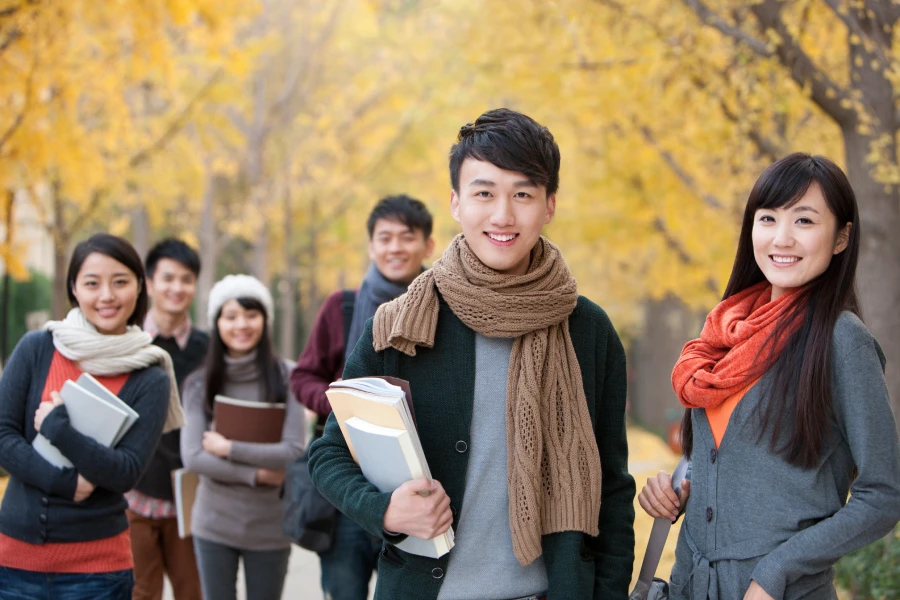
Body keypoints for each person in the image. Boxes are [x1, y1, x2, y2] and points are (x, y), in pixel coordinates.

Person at [308, 108, 635, 600]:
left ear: (549, 205)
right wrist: (385, 512)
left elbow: (612, 488)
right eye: (484, 193)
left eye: (522, 194)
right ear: (457, 204)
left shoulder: (588, 331)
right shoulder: (398, 325)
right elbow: (329, 453)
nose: (503, 215)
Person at [638, 153, 900, 600]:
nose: (782, 238)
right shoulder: (726, 332)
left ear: (841, 238)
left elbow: (884, 495)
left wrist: (777, 572)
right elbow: (733, 461)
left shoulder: (842, 342)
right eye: (768, 218)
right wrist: (681, 489)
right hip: (690, 584)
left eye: (804, 221)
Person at [0, 233, 183, 600]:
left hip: (97, 572)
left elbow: (125, 470)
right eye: (92, 283)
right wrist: (66, 483)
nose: (106, 296)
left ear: (139, 288)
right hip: (14, 563)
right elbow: (3, 437)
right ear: (74, 289)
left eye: (120, 282)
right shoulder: (37, 348)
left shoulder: (151, 376)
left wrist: (59, 429)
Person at [290, 194, 434, 600]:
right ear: (371, 246)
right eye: (384, 238)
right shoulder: (342, 307)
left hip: (421, 484)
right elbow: (303, 376)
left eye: (406, 238)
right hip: (348, 491)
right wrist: (344, 407)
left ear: (427, 246)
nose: (394, 248)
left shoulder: (447, 310)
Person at [180, 274, 305, 600]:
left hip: (271, 528)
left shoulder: (287, 376)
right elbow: (193, 456)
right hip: (213, 525)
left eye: (251, 314)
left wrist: (228, 448)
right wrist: (258, 474)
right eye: (230, 316)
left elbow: (293, 450)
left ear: (265, 320)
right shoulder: (198, 383)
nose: (241, 325)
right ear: (217, 323)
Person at [126, 239, 208, 600]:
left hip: (189, 499)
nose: (177, 288)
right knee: (140, 593)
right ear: (149, 282)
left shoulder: (208, 349)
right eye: (168, 278)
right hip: (133, 497)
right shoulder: (127, 341)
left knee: (195, 591)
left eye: (186, 279)